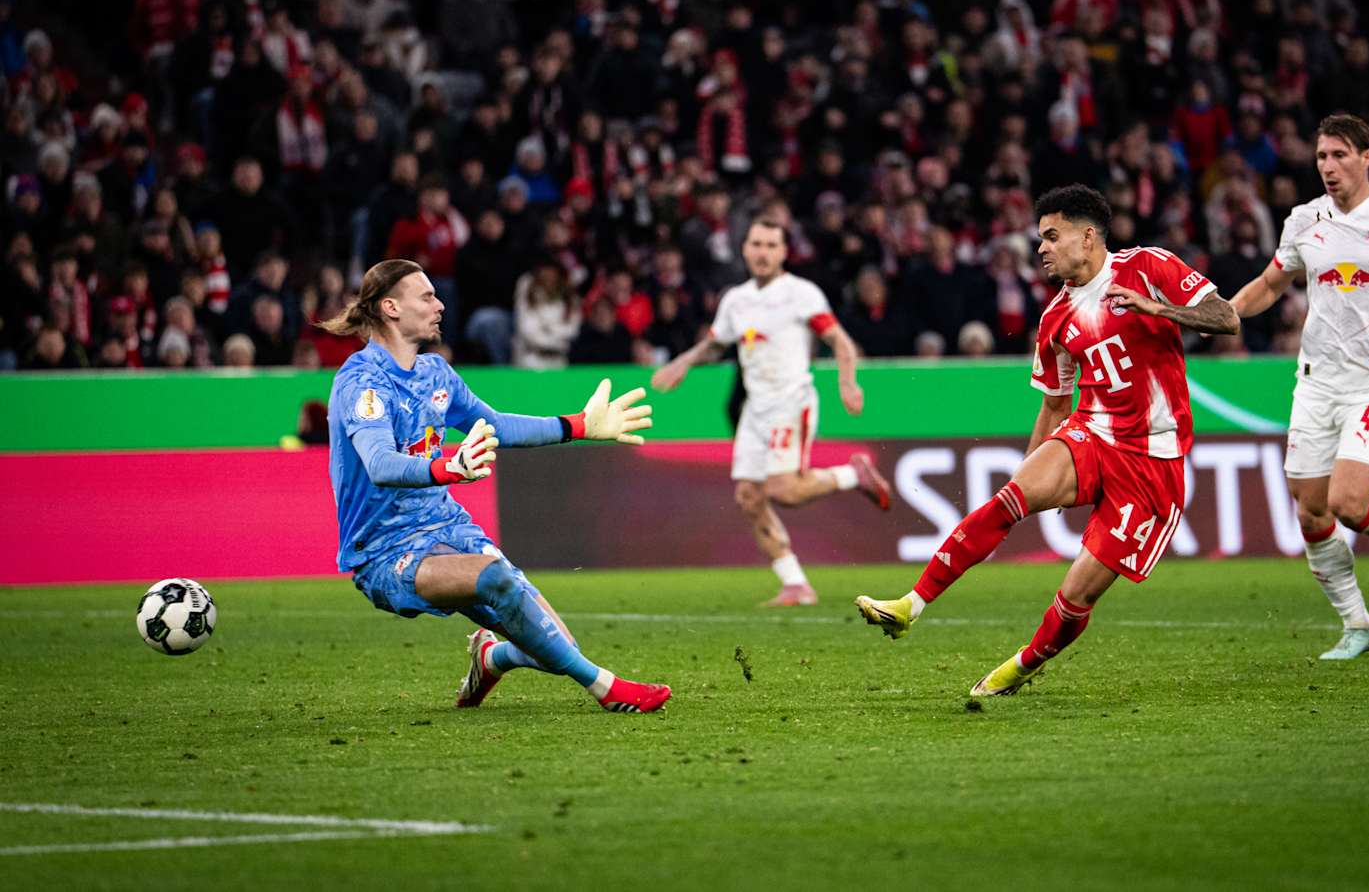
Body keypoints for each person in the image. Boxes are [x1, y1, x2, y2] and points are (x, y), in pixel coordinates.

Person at [855, 185, 1240, 695]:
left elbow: (1227, 318)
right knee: (1008, 500)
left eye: (1052, 236)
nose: (1042, 248)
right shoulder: (1055, 318)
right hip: (1092, 432)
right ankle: (911, 605)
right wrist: (1029, 467)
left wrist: (1156, 308)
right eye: (1041, 238)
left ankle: (1024, 663)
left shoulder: (1149, 266)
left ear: (1088, 237)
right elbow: (1056, 405)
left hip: (1153, 459)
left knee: (1077, 596)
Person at [321, 258, 670, 713]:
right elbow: (380, 463)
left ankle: (492, 657)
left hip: (448, 527)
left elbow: (496, 425)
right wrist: (447, 468)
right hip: (384, 549)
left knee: (556, 644)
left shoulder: (435, 374)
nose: (439, 305)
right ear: (391, 307)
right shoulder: (362, 381)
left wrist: (578, 425)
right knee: (496, 579)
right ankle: (607, 688)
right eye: (426, 296)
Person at [1227, 114, 1369, 660]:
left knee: (1348, 502)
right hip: (1316, 383)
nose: (1328, 166)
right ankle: (1358, 624)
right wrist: (1225, 311)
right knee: (1311, 511)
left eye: (1338, 155)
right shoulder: (1303, 219)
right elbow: (1271, 284)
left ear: (1366, 157)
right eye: (1321, 157)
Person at [651, 217, 893, 607]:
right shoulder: (736, 299)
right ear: (745, 249)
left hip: (790, 402)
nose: (763, 253)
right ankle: (795, 584)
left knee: (784, 491)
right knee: (749, 496)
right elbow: (714, 344)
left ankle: (853, 474)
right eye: (756, 244)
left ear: (783, 252)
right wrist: (683, 363)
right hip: (755, 409)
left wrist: (848, 382)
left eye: (771, 245)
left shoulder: (801, 294)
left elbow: (839, 340)